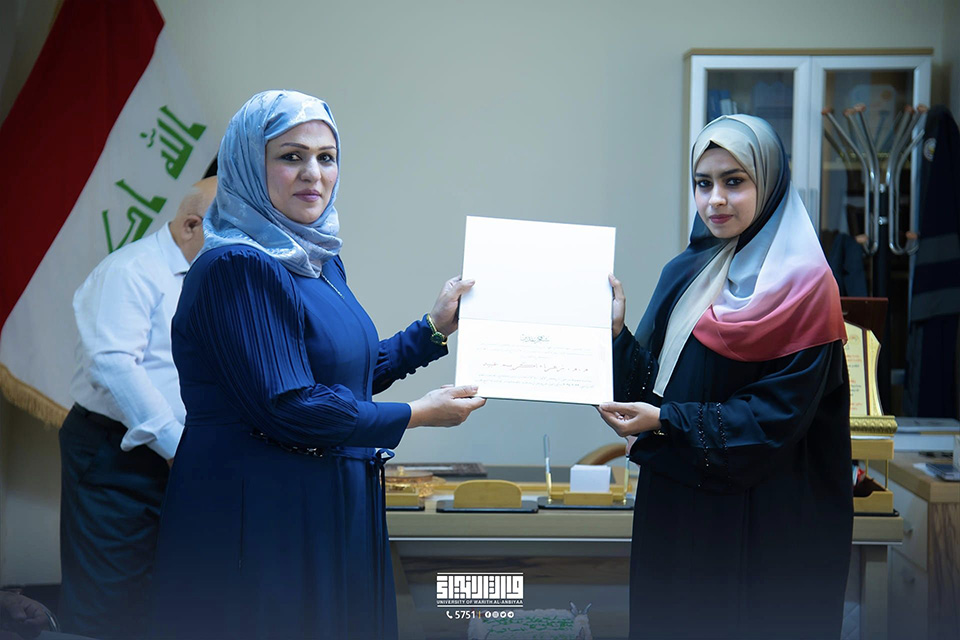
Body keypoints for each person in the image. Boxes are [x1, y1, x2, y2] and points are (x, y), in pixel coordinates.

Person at [149, 90, 485, 640]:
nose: (314, 174)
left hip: (325, 497)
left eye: (327, 157)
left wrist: (431, 329)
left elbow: (340, 377)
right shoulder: (237, 265)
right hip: (262, 511)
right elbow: (291, 405)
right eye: (291, 156)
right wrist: (416, 414)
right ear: (247, 165)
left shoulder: (317, 261)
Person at [598, 115, 852, 639]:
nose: (715, 199)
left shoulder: (808, 289)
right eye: (703, 182)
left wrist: (666, 421)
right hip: (679, 512)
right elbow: (651, 387)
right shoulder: (686, 273)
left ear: (770, 183)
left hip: (768, 527)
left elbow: (775, 418)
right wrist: (617, 336)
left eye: (734, 181)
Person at [58, 177, 216, 639]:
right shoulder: (130, 270)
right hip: (117, 456)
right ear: (191, 225)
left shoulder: (208, 275)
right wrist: (177, 448)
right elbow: (112, 365)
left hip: (183, 454)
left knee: (171, 599)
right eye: (232, 231)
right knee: (108, 603)